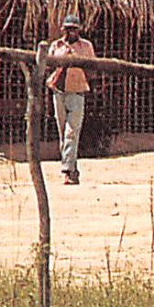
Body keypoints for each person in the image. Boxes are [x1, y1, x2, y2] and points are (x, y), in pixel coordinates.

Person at [47, 14, 96, 184]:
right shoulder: (56, 46)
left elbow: (92, 69)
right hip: (59, 92)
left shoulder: (86, 47)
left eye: (74, 29)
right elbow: (49, 66)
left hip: (77, 91)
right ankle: (72, 170)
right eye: (68, 29)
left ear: (79, 30)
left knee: (71, 131)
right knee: (63, 132)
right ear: (64, 30)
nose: (71, 32)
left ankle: (67, 169)